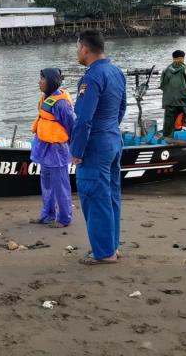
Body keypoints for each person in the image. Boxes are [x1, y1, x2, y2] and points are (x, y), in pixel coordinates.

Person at [70, 29, 127, 265]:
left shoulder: (91, 77)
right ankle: (111, 246)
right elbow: (122, 107)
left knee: (95, 197)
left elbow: (83, 119)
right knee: (111, 196)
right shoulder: (116, 72)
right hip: (113, 140)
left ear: (84, 48)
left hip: (96, 145)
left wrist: (77, 151)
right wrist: (111, 131)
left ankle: (104, 253)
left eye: (77, 47)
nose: (76, 52)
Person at [29, 68, 75, 228]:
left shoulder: (61, 103)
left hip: (57, 150)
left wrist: (75, 148)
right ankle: (47, 215)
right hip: (44, 149)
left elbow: (71, 125)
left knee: (61, 185)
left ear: (50, 81)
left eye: (42, 79)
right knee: (46, 184)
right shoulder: (44, 98)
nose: (39, 82)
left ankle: (64, 218)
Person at [160, 50, 186, 141]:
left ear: (173, 58)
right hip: (184, 98)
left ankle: (167, 138)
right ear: (183, 58)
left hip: (169, 100)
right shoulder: (185, 69)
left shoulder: (166, 70)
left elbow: (162, 85)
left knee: (169, 121)